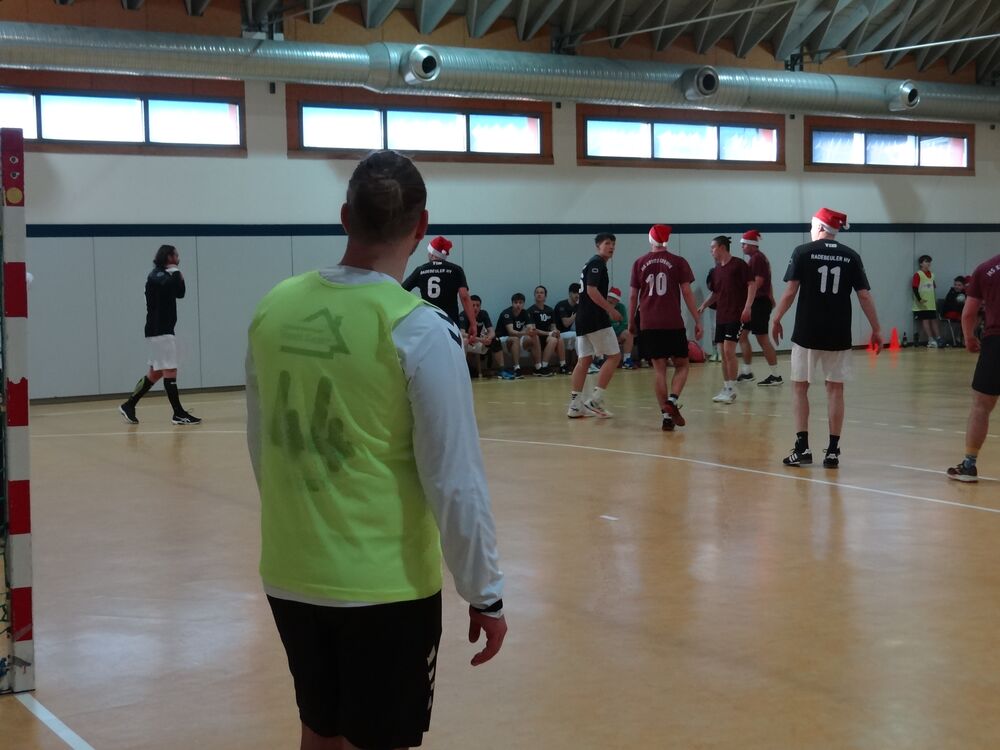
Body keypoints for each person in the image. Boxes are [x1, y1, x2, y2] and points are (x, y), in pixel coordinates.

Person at [246, 150, 506, 750]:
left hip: (290, 572)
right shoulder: (419, 328)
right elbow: (454, 478)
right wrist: (484, 592)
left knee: (320, 732)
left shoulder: (275, 306)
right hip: (385, 589)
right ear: (421, 225)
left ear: (345, 217)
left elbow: (264, 444)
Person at [771, 207, 882, 469]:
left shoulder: (802, 252)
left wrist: (776, 318)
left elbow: (790, 291)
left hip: (807, 332)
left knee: (800, 387)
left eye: (812, 225)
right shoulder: (851, 255)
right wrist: (876, 328)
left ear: (820, 227)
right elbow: (864, 295)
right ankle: (832, 451)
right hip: (838, 332)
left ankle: (802, 447)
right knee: (835, 389)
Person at [628, 224, 703, 431]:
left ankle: (666, 417)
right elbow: (687, 292)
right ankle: (672, 399)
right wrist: (697, 319)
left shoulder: (639, 263)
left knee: (659, 370)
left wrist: (631, 321)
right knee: (682, 365)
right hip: (672, 322)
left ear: (650, 239)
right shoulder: (678, 262)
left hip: (649, 323)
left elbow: (633, 296)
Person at [118, 244, 201, 426]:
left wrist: (176, 273)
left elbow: (180, 293)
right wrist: (176, 272)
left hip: (162, 330)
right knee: (170, 370)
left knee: (155, 373)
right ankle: (178, 413)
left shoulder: (168, 274)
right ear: (168, 256)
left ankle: (129, 405)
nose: (178, 258)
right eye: (176, 255)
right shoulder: (156, 275)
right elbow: (168, 284)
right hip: (159, 330)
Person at [947, 253, 1000, 482]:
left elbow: (969, 313)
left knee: (981, 406)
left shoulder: (986, 269)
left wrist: (969, 338)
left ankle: (969, 466)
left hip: (996, 342)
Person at [567, 232, 622, 418]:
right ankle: (596, 400)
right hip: (595, 318)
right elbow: (591, 290)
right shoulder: (597, 263)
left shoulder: (591, 263)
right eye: (607, 243)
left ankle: (575, 405)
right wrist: (611, 309)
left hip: (582, 319)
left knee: (584, 361)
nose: (611, 247)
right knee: (614, 356)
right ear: (598, 246)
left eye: (613, 244)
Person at [697, 236, 753, 404]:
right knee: (723, 353)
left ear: (722, 247)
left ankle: (732, 389)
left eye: (713, 248)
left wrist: (748, 307)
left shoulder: (739, 265)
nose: (711, 251)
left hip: (736, 315)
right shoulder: (716, 271)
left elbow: (752, 285)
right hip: (721, 315)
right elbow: (716, 293)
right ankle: (726, 387)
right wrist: (703, 305)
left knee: (729, 351)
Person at [403, 235, 477, 338]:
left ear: (431, 253)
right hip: (450, 322)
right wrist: (473, 323)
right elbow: (464, 296)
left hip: (429, 321)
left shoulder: (420, 270)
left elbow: (402, 291)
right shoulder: (456, 270)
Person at [737, 230, 782, 386]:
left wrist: (747, 302)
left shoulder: (757, 259)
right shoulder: (757, 259)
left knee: (762, 338)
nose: (742, 247)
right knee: (742, 335)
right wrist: (771, 296)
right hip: (757, 302)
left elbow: (759, 281)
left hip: (758, 303)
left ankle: (775, 375)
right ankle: (747, 372)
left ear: (751, 245)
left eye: (744, 244)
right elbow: (766, 281)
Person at [459, 295, 503, 377]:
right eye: (473, 305)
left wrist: (488, 338)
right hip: (468, 343)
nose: (475, 308)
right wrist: (481, 339)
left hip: (479, 344)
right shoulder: (463, 314)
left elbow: (492, 332)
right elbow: (462, 333)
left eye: (478, 305)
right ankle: (462, 372)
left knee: (496, 340)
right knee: (464, 340)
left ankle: (502, 369)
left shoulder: (483, 314)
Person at [527, 285, 566, 376]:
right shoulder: (530, 310)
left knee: (559, 338)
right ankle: (543, 367)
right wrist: (549, 333)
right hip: (536, 338)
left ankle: (563, 365)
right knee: (553, 339)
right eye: (537, 292)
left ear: (545, 296)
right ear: (534, 295)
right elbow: (533, 330)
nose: (539, 294)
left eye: (541, 293)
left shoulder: (550, 310)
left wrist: (555, 331)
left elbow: (553, 326)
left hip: (547, 337)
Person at [498, 292, 533, 379]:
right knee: (515, 339)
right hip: (502, 339)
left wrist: (527, 332)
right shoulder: (506, 313)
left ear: (523, 304)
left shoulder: (525, 313)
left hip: (517, 337)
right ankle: (517, 368)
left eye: (520, 303)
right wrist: (525, 332)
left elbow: (530, 328)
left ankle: (539, 366)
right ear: (512, 303)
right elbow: (511, 332)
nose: (518, 305)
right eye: (516, 302)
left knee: (533, 337)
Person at [912, 254, 940, 347]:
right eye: (926, 261)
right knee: (925, 320)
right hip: (922, 304)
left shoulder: (932, 275)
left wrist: (934, 300)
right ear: (921, 264)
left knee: (934, 320)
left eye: (929, 262)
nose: (928, 263)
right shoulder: (918, 274)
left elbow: (933, 288)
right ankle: (930, 340)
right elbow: (915, 288)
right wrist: (919, 299)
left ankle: (938, 338)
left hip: (931, 304)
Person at [607, 288, 635, 369]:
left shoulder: (621, 307)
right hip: (605, 335)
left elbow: (624, 324)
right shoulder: (602, 307)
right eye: (610, 297)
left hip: (617, 334)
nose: (611, 300)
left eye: (614, 298)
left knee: (628, 334)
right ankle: (599, 361)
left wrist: (615, 335)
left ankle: (626, 360)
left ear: (617, 300)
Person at [941, 275, 967, 346]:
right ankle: (960, 337)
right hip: (950, 312)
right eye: (955, 285)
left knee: (972, 317)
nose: (956, 286)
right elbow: (949, 306)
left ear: (963, 286)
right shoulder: (951, 293)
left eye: (959, 285)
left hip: (959, 312)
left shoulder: (964, 294)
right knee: (965, 318)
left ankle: (964, 337)